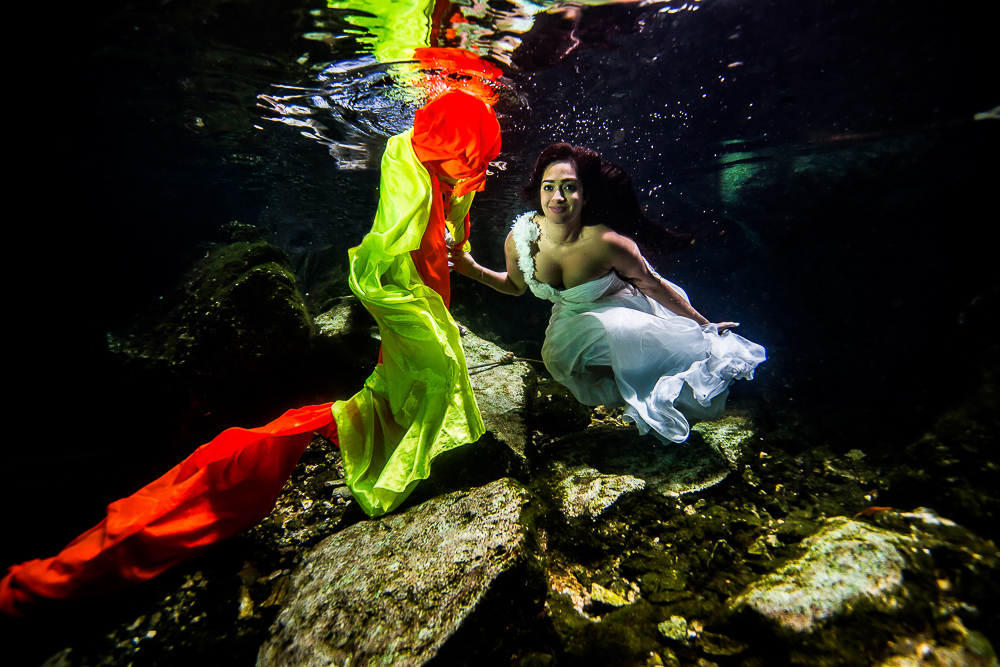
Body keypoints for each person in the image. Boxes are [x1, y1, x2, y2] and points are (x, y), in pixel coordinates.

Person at [448, 143, 766, 443]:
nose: (557, 197)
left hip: (624, 308)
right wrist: (473, 269)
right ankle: (636, 393)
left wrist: (704, 324)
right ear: (538, 191)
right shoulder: (520, 238)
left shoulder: (607, 242)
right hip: (570, 316)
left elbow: (652, 284)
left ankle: (649, 396)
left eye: (569, 186)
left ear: (585, 195)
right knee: (558, 356)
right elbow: (515, 286)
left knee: (627, 336)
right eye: (548, 187)